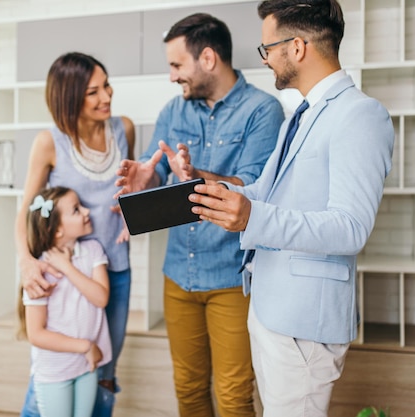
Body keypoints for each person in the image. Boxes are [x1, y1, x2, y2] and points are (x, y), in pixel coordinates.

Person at [187, 1, 395, 416]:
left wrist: (251, 217)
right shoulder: (299, 115)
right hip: (270, 306)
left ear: (296, 47)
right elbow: (266, 189)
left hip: (304, 323)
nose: (265, 59)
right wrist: (206, 184)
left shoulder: (360, 116)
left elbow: (350, 227)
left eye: (268, 48)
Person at [115, 13, 285, 417]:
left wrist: (195, 177)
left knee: (233, 396)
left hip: (233, 277)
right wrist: (146, 177)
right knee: (188, 392)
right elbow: (157, 169)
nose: (172, 76)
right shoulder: (174, 112)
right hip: (178, 275)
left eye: (177, 65)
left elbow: (254, 188)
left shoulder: (263, 111)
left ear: (207, 58)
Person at [16, 52, 135, 417]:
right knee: (56, 367)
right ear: (69, 98)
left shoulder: (124, 129)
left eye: (107, 86)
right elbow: (27, 209)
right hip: (65, 274)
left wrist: (135, 208)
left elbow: (132, 187)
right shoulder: (49, 143)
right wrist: (25, 262)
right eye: (93, 92)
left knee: (102, 367)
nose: (106, 97)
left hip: (113, 270)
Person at [17, 187, 112, 417]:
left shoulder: (92, 251)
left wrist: (67, 267)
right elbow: (36, 334)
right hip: (56, 370)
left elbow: (101, 298)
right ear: (58, 229)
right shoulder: (38, 273)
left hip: (87, 365)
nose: (87, 211)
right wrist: (86, 346)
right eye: (77, 210)